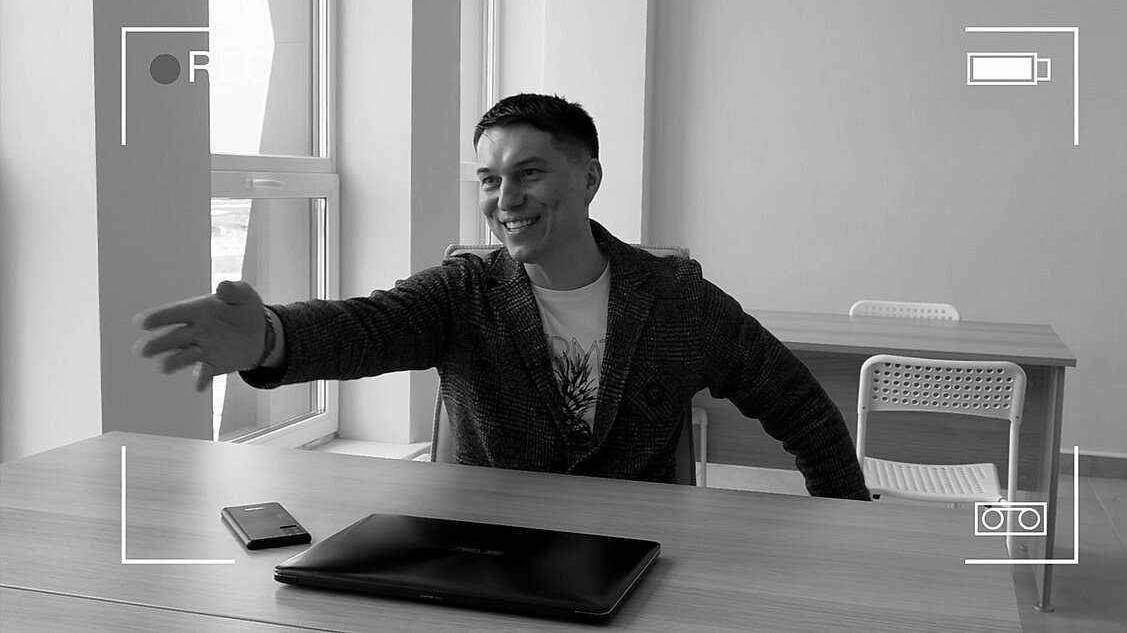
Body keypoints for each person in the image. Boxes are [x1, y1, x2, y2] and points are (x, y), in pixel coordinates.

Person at [135, 93, 870, 500]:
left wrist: (844, 527)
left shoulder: (678, 301)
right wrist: (271, 336)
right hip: (489, 549)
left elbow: (801, 407)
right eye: (489, 180)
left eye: (529, 173)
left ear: (589, 178)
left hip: (638, 555)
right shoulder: (466, 291)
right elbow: (367, 326)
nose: (504, 198)